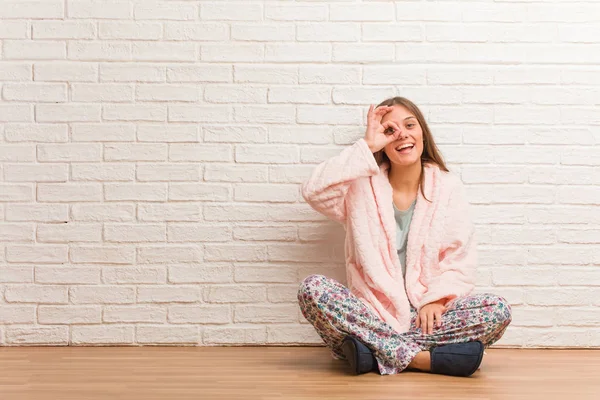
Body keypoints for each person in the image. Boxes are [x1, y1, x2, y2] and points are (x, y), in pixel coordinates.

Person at [297, 97, 512, 377]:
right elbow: (314, 191)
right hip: (373, 312)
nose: (402, 134)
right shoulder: (360, 187)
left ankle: (370, 352)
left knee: (497, 310)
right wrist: (366, 147)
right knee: (313, 289)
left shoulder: (447, 187)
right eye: (389, 131)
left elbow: (459, 257)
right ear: (382, 143)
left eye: (409, 125)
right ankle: (423, 359)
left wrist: (435, 300)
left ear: (422, 131)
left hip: (428, 317)